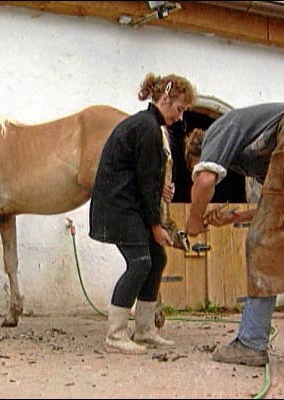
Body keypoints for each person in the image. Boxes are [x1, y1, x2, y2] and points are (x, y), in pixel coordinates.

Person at [184, 104, 284, 368]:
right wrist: (235, 217)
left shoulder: (217, 132)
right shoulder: (252, 150)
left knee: (263, 241)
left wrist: (194, 220)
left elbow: (206, 181)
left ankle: (251, 342)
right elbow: (277, 207)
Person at [89, 72, 197, 354]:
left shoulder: (150, 126)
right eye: (179, 108)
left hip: (130, 204)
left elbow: (149, 177)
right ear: (164, 99)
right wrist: (156, 225)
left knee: (156, 258)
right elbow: (146, 181)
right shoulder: (148, 128)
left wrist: (165, 191)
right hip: (119, 207)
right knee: (139, 263)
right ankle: (115, 334)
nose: (180, 116)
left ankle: (146, 330)